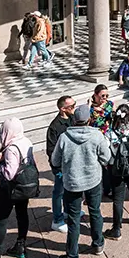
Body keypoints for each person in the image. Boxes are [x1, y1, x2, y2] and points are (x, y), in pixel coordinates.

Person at [52, 105, 110, 258]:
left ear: (74, 120)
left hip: (72, 183)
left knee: (73, 220)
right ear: (89, 120)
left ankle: (72, 257)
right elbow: (106, 157)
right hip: (93, 181)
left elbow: (55, 160)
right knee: (95, 212)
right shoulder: (97, 136)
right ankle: (97, 244)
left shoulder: (64, 137)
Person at [0, 118, 37, 258]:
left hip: (9, 188)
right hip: (23, 186)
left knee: (1, 220)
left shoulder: (11, 149)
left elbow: (9, 174)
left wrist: (0, 162)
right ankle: (20, 246)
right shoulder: (26, 141)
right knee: (22, 214)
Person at [104, 104, 129, 241]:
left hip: (116, 168)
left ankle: (116, 229)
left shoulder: (109, 133)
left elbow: (105, 152)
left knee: (118, 198)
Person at [46, 95, 75, 232]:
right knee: (58, 192)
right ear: (63, 109)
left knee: (69, 190)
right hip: (61, 167)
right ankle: (57, 219)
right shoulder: (54, 127)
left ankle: (68, 211)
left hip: (72, 163)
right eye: (72, 106)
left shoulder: (72, 119)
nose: (74, 108)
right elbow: (51, 150)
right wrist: (58, 168)